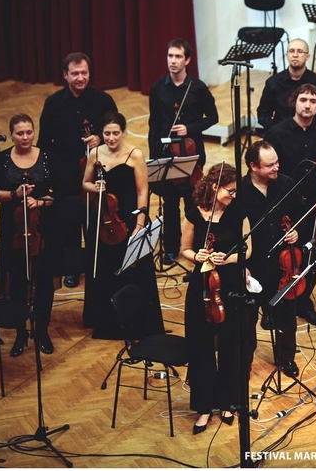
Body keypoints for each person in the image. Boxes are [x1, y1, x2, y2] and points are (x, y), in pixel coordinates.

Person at [181, 163, 252, 433]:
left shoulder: (239, 212)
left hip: (230, 283)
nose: (234, 196)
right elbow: (184, 249)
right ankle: (203, 406)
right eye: (230, 191)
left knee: (231, 344)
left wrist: (229, 258)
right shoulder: (194, 213)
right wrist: (197, 256)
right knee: (201, 344)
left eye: (235, 192)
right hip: (202, 285)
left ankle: (228, 402)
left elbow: (248, 250)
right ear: (214, 186)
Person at [81, 112, 165, 340]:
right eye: (107, 133)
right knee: (106, 270)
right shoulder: (95, 153)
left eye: (115, 133)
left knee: (136, 271)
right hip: (104, 220)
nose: (111, 138)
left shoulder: (135, 154)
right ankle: (108, 324)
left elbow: (142, 191)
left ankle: (140, 325)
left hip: (129, 217)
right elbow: (85, 183)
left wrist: (139, 224)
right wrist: (94, 187)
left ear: (124, 132)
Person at [38, 52, 118, 288]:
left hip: (97, 170)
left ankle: (98, 263)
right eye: (75, 73)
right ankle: (72, 268)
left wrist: (100, 139)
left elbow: (116, 130)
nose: (81, 77)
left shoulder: (103, 100)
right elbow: (44, 143)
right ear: (65, 75)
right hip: (66, 174)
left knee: (96, 218)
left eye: (84, 73)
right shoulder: (53, 103)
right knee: (70, 223)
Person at [264, 84, 316, 327]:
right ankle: (272, 305)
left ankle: (304, 302)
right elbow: (268, 170)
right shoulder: (276, 133)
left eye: (313, 101)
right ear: (294, 102)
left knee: (312, 252)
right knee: (280, 255)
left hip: (314, 205)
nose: (308, 105)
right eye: (303, 100)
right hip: (285, 204)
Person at [0, 114, 55, 356]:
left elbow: (60, 191)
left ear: (34, 132)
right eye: (20, 133)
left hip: (42, 228)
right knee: (17, 282)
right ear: (12, 135)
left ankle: (42, 331)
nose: (25, 137)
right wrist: (15, 194)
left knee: (44, 281)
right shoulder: (2, 160)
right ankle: (21, 333)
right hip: (13, 229)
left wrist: (40, 202)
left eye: (29, 132)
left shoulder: (46, 157)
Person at [148, 38, 219, 265]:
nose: (173, 61)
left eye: (178, 56)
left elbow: (213, 117)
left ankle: (195, 247)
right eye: (170, 56)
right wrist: (153, 156)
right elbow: (153, 123)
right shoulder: (157, 88)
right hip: (166, 154)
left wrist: (190, 128)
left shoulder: (198, 87)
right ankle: (171, 248)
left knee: (192, 204)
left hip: (192, 155)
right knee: (170, 205)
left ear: (187, 60)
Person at [240, 140, 303, 377]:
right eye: (270, 165)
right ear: (253, 166)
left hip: (283, 264)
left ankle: (286, 359)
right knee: (247, 319)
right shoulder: (240, 191)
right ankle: (244, 361)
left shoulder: (286, 183)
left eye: (277, 162)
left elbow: (302, 216)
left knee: (287, 316)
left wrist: (297, 232)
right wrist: (242, 265)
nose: (276, 168)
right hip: (253, 265)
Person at [256, 38, 316, 131]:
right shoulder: (273, 82)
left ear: (307, 57)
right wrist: (275, 131)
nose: (295, 55)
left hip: (309, 133)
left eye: (300, 51)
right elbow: (263, 114)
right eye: (291, 51)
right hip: (281, 133)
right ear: (287, 55)